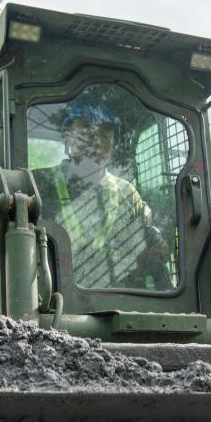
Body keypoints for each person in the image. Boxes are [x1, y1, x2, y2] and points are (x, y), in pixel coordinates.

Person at [34, 99, 171, 290]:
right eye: (84, 131)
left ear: (114, 144)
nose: (95, 142)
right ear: (68, 137)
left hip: (116, 300)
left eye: (105, 134)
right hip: (54, 300)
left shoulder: (127, 193)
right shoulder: (38, 184)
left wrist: (155, 248)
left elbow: (147, 242)